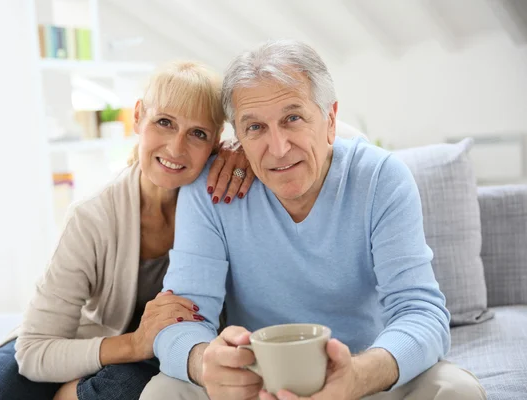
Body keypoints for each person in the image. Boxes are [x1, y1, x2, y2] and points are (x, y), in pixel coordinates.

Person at [140, 40, 487, 400]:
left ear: (331, 120)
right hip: (256, 383)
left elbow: (421, 311)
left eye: (293, 118)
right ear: (237, 138)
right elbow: (181, 318)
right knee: (162, 392)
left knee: (456, 390)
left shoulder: (382, 178)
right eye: (255, 127)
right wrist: (203, 362)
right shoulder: (210, 191)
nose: (278, 147)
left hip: (364, 374)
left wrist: (361, 375)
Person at [0, 60, 254, 400]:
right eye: (164, 122)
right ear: (138, 116)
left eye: (197, 133)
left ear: (217, 142)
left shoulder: (221, 201)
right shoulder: (92, 216)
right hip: (72, 345)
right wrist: (135, 343)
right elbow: (35, 351)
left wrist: (245, 154)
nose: (175, 147)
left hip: (148, 361)